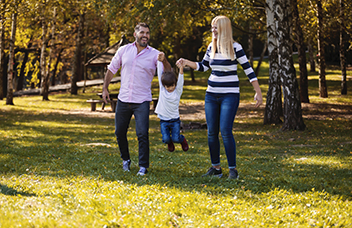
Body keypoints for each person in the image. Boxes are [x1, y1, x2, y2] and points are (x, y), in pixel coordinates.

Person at [176, 15, 263, 179]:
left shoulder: (236, 47)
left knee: (225, 131)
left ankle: (233, 170)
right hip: (211, 94)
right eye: (212, 27)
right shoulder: (212, 46)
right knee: (211, 132)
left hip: (229, 95)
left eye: (216, 27)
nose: (213, 30)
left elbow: (248, 70)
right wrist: (187, 62)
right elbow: (204, 66)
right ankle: (216, 168)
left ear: (224, 28)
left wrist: (258, 92)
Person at [102, 22, 171, 176]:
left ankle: (143, 166)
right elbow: (111, 69)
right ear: (135, 34)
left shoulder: (155, 54)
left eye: (147, 33)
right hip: (124, 99)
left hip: (142, 101)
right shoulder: (123, 50)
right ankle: (125, 159)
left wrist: (164, 60)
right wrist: (105, 88)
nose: (145, 35)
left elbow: (168, 72)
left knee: (142, 134)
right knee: (119, 132)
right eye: (142, 32)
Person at [154, 60, 189, 152]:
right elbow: (159, 74)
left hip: (175, 121)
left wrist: (181, 68)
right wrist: (159, 61)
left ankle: (182, 140)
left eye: (172, 85)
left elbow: (181, 81)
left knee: (176, 138)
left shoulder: (177, 92)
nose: (170, 88)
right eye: (167, 86)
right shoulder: (162, 91)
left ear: (175, 84)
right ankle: (169, 142)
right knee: (165, 139)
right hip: (164, 121)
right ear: (164, 86)